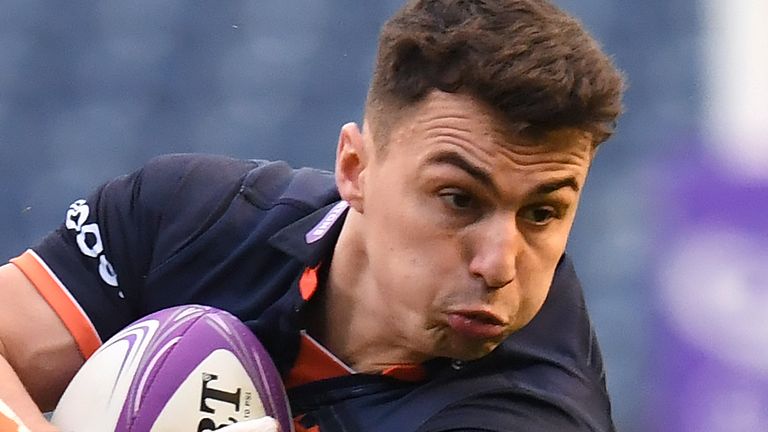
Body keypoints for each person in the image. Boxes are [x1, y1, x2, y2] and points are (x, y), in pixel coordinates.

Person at [0, 0, 625, 431]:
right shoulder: (190, 218)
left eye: (543, 213)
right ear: (354, 169)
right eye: (459, 199)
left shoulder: (532, 411)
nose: (498, 264)